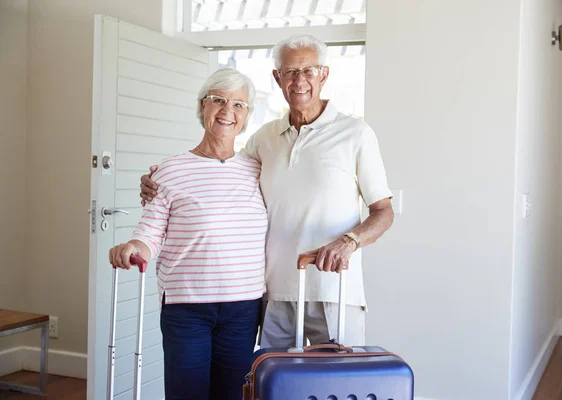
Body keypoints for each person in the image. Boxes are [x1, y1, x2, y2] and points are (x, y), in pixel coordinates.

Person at [140, 35, 394, 349]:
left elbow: (383, 211)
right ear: (277, 77)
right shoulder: (264, 137)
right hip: (274, 292)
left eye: (309, 71)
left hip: (335, 290)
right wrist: (158, 181)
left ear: (324, 75)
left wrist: (349, 242)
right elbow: (222, 173)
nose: (299, 81)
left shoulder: (356, 133)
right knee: (273, 387)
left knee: (336, 386)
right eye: (289, 72)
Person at [109, 68, 266, 400]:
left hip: (243, 306)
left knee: (234, 394)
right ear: (202, 107)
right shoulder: (170, 170)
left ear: (247, 115)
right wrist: (133, 247)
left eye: (239, 105)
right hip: (187, 306)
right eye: (218, 101)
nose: (228, 111)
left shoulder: (258, 170)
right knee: (187, 394)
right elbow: (150, 233)